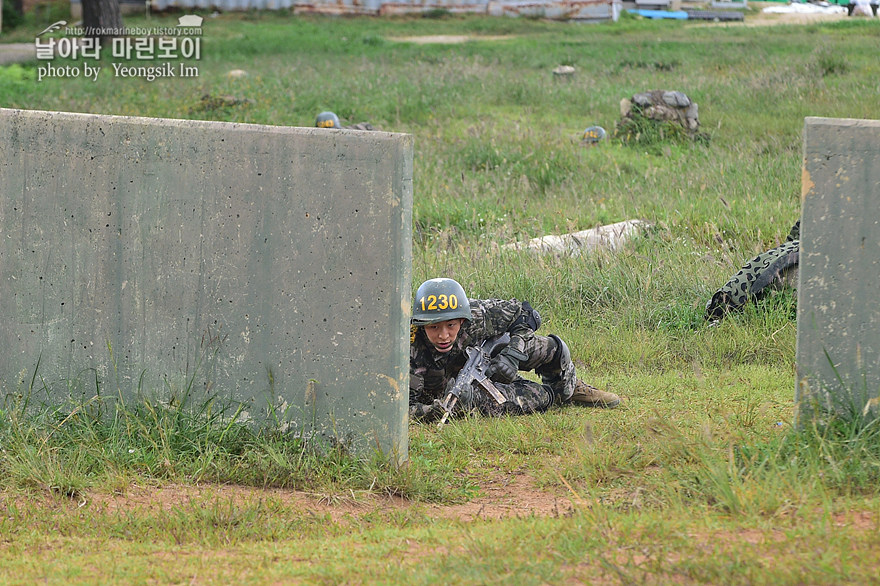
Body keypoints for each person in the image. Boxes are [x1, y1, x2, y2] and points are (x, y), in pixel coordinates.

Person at [409, 278, 621, 422]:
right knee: (538, 398)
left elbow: (526, 314)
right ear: (421, 325)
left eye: (451, 325)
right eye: (433, 327)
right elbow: (402, 410)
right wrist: (438, 410)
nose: (443, 335)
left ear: (463, 320)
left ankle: (570, 386)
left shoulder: (477, 314)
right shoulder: (407, 350)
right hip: (463, 393)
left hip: (491, 360)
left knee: (550, 348)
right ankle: (554, 395)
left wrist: (512, 354)